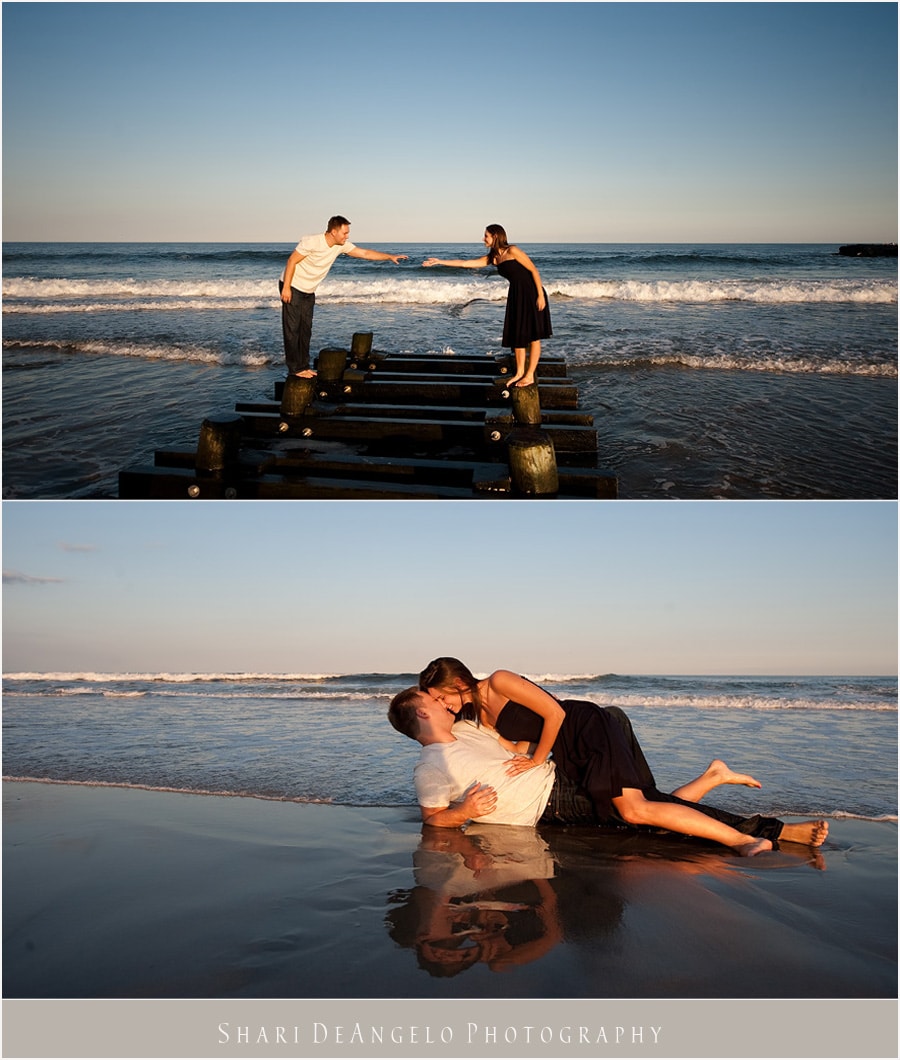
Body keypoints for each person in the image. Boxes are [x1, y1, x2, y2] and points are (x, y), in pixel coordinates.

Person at [423, 225, 551, 387]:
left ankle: (530, 375)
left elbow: (534, 270)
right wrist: (440, 261)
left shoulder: (512, 251)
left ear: (496, 236)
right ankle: (519, 373)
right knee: (517, 335)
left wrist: (540, 295)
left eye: (486, 236)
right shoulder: (493, 258)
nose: (483, 239)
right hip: (516, 294)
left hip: (532, 292)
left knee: (533, 336)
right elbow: (466, 263)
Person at [279, 216, 408, 378]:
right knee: (292, 329)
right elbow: (291, 261)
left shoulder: (340, 246)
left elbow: (365, 253)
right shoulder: (312, 242)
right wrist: (286, 288)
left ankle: (304, 366)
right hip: (292, 286)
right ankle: (295, 369)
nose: (347, 236)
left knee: (306, 329)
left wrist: (389, 256)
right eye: (345, 233)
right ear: (334, 232)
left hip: (308, 290)